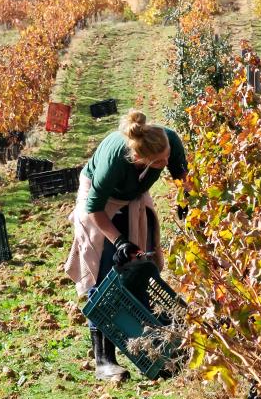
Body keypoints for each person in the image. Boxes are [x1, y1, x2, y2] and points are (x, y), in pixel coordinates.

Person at [65, 110, 188, 382]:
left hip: (131, 198)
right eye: (159, 163)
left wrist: (186, 201)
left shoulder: (167, 141)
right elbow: (94, 208)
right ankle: (104, 361)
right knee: (105, 272)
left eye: (166, 156)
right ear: (138, 160)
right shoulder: (115, 163)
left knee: (138, 267)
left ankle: (151, 347)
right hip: (99, 205)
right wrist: (119, 240)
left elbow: (182, 175)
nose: (166, 162)